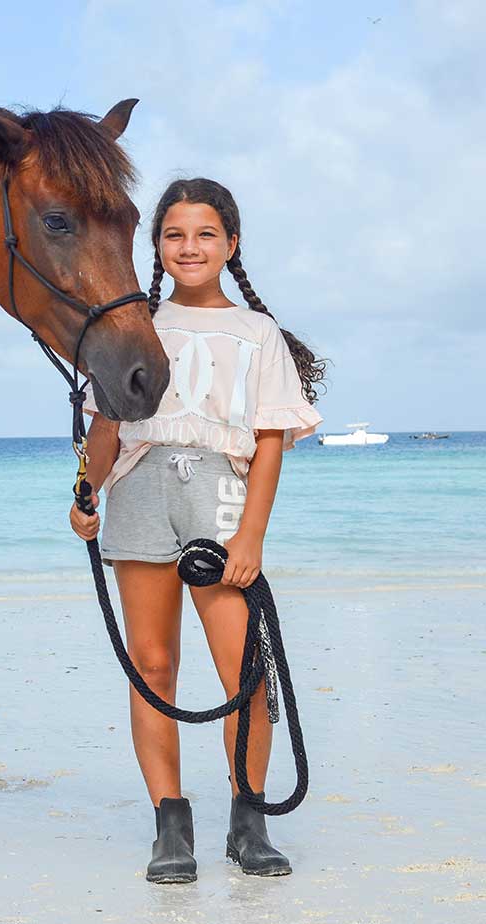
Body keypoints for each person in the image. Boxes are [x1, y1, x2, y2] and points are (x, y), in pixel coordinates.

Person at [70, 178, 325, 883]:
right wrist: (86, 490)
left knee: (245, 671)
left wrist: (252, 537)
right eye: (175, 235)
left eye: (206, 234)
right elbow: (107, 427)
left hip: (220, 497)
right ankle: (170, 825)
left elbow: (269, 442)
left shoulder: (257, 333)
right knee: (152, 666)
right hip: (139, 494)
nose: (190, 247)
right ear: (156, 246)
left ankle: (249, 820)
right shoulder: (132, 324)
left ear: (231, 244)